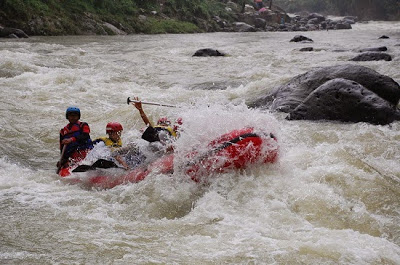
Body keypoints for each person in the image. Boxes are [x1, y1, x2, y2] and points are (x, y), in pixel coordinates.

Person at [57, 106, 93, 171]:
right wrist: (62, 160)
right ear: (67, 117)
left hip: (85, 151)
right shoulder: (63, 131)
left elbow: (85, 136)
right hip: (72, 155)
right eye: (71, 115)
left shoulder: (83, 125)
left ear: (78, 117)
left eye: (75, 115)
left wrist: (71, 139)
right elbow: (62, 148)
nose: (73, 117)